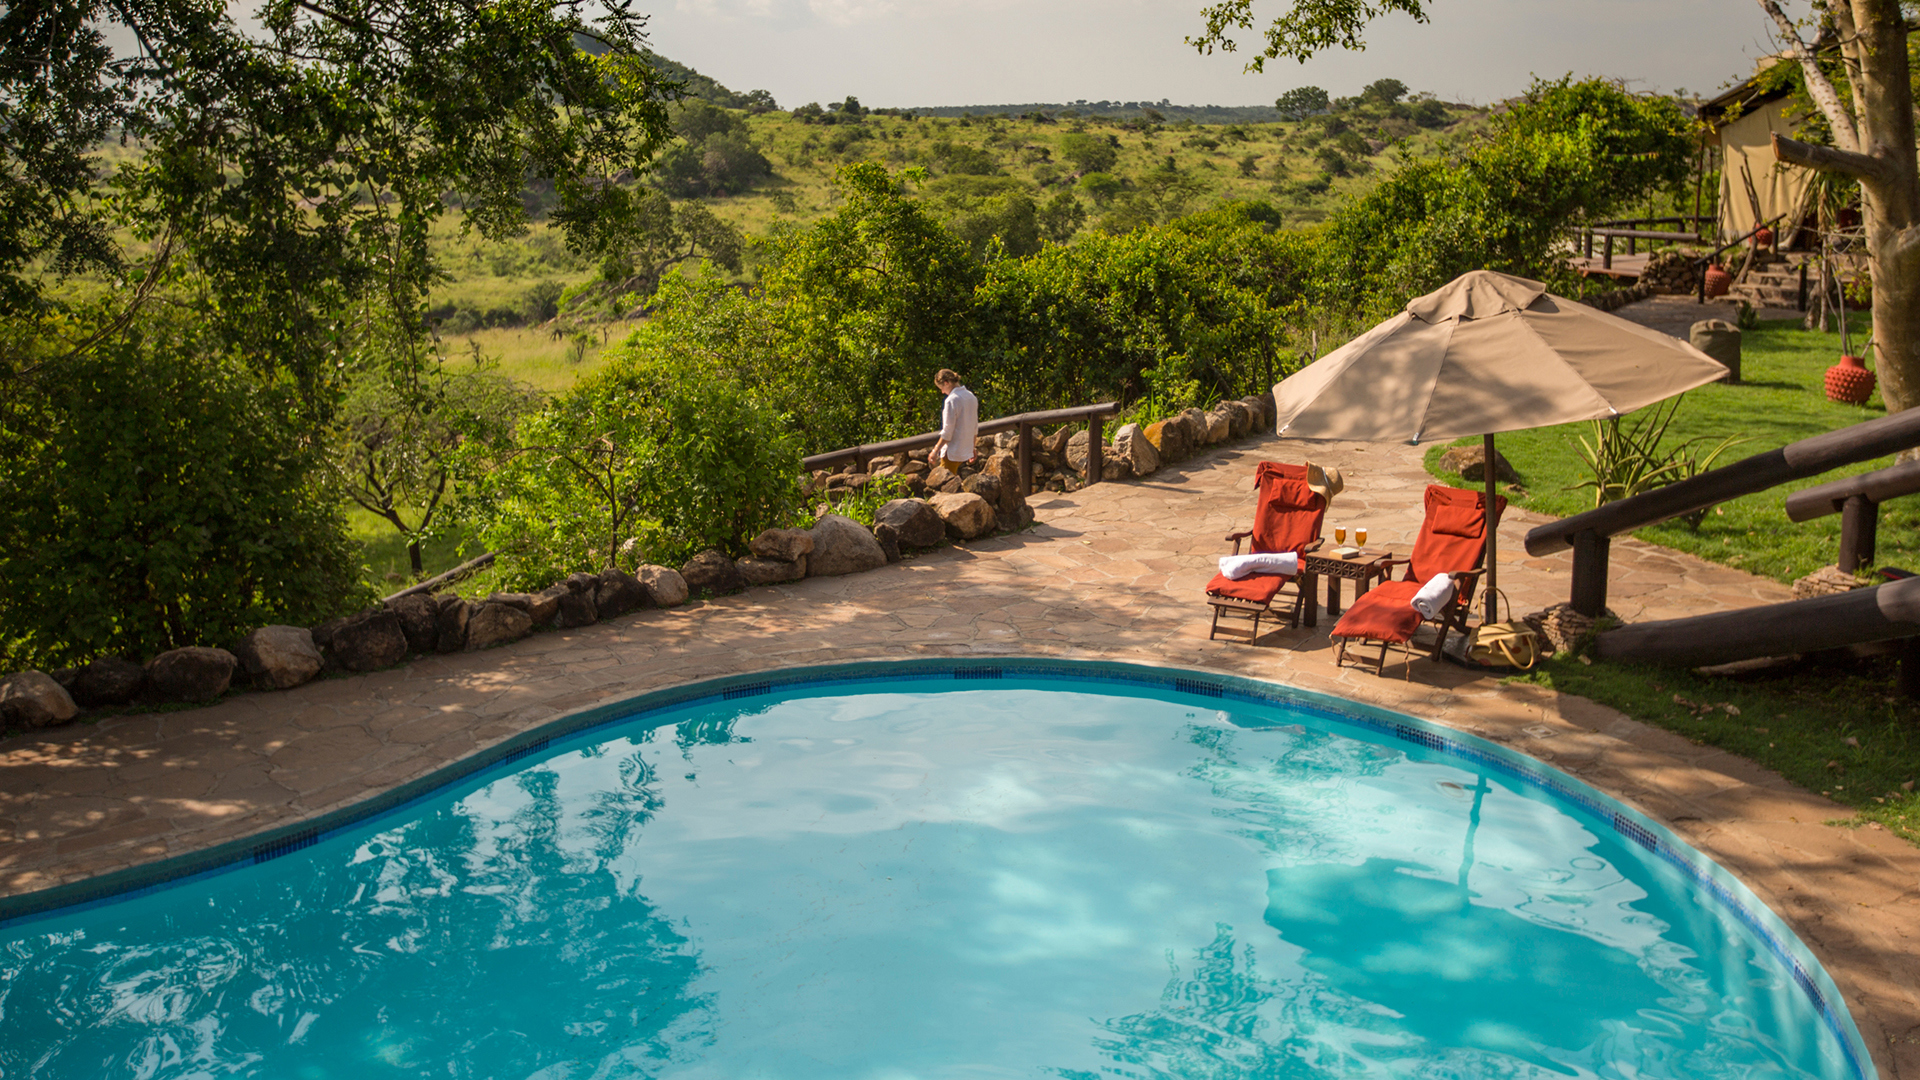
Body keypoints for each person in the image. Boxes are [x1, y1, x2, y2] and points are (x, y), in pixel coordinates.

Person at [928, 369, 979, 471]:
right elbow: (974, 427)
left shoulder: (951, 400)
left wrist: (935, 450)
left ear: (946, 383)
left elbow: (948, 431)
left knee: (944, 483)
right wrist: (972, 448)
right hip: (965, 449)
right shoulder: (971, 397)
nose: (942, 392)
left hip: (952, 452)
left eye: (942, 388)